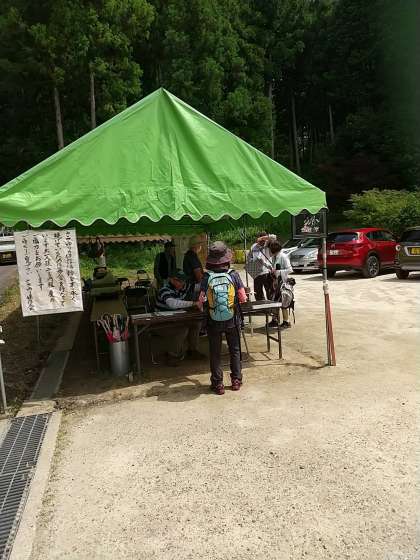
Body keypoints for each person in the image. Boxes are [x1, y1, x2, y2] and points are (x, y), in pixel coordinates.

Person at [198, 241, 247, 395]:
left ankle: (218, 384)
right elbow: (243, 298)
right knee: (235, 349)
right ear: (226, 258)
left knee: (215, 352)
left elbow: (200, 301)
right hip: (232, 319)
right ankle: (236, 380)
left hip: (213, 320)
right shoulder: (233, 274)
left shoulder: (207, 276)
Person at [156, 270, 204, 366]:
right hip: (161, 323)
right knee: (182, 330)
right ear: (171, 280)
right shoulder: (164, 290)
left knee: (196, 323)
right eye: (179, 281)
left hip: (177, 320)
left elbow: (201, 286)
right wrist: (193, 303)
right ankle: (172, 356)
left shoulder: (184, 286)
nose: (182, 283)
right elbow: (172, 303)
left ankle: (192, 351)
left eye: (183, 280)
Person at [267, 240, 293, 329]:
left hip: (282, 283)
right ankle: (275, 320)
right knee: (274, 301)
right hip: (275, 283)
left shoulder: (283, 257)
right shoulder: (275, 257)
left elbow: (290, 270)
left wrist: (278, 271)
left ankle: (286, 321)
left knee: (283, 302)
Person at [249, 231, 277, 300]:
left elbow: (274, 237)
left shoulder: (268, 244)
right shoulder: (254, 246)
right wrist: (268, 265)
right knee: (258, 293)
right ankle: (262, 305)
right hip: (257, 272)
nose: (263, 242)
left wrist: (264, 238)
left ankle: (271, 305)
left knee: (270, 292)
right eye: (261, 241)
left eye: (264, 240)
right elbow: (258, 259)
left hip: (267, 272)